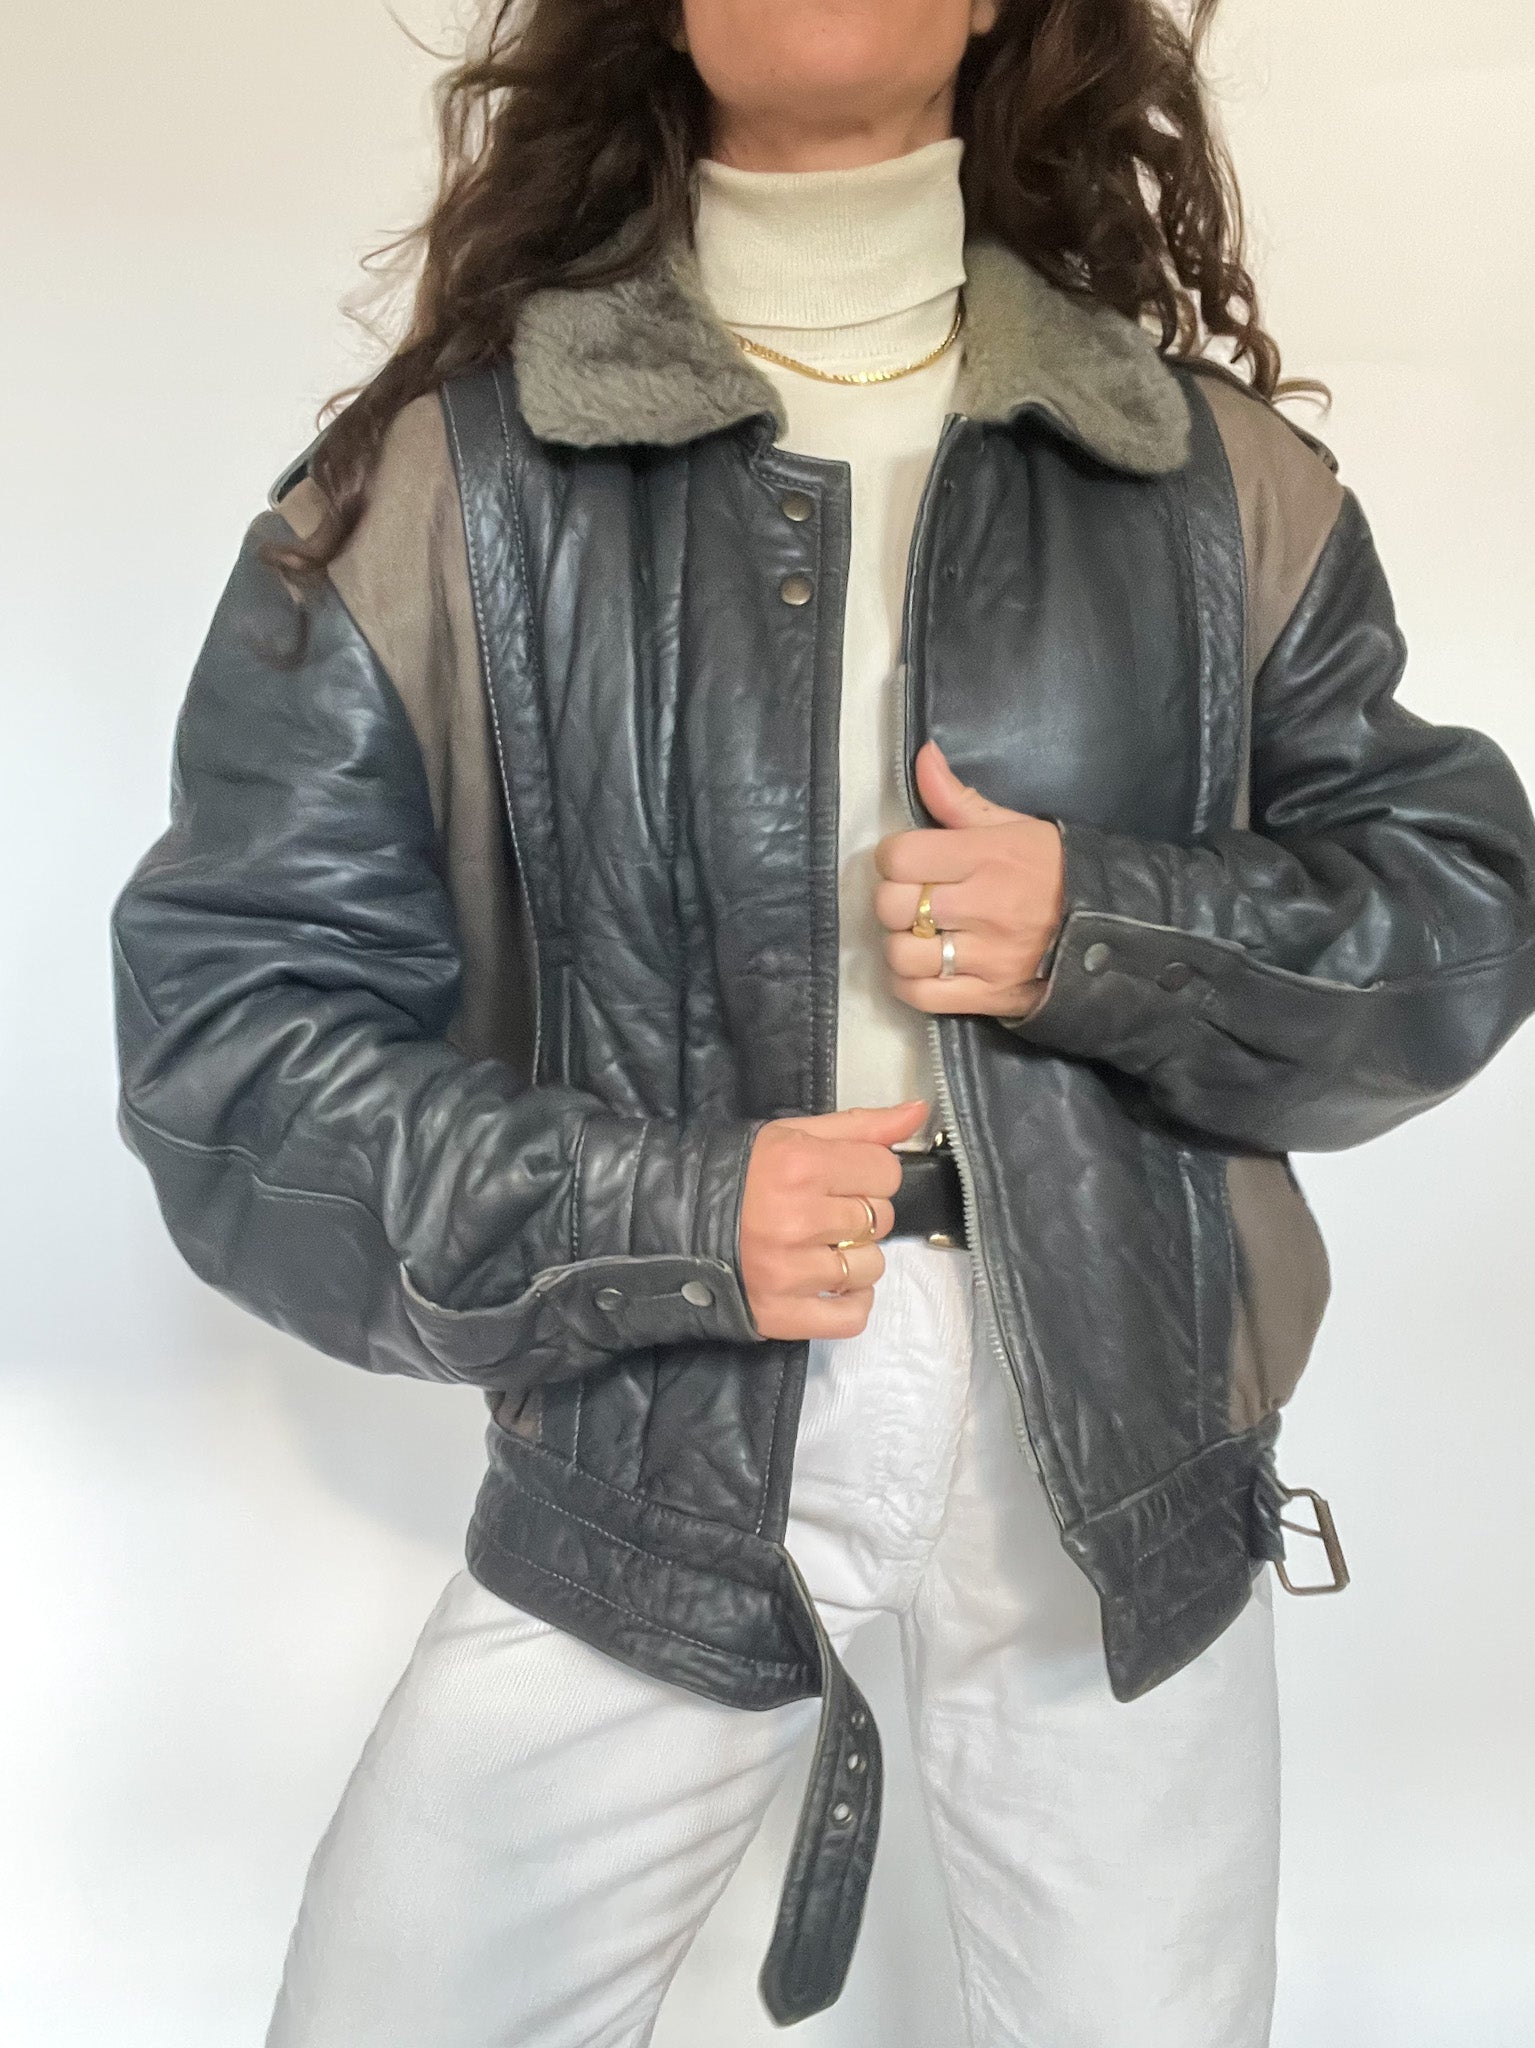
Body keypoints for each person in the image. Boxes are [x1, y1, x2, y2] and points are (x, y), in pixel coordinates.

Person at [109, 2, 1535, 2043]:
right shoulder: (447, 481)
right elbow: (231, 1041)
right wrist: (668, 1210)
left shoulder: (1207, 474)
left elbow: (1460, 910)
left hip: (1121, 1428)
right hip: (659, 1421)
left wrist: (1106, 926)